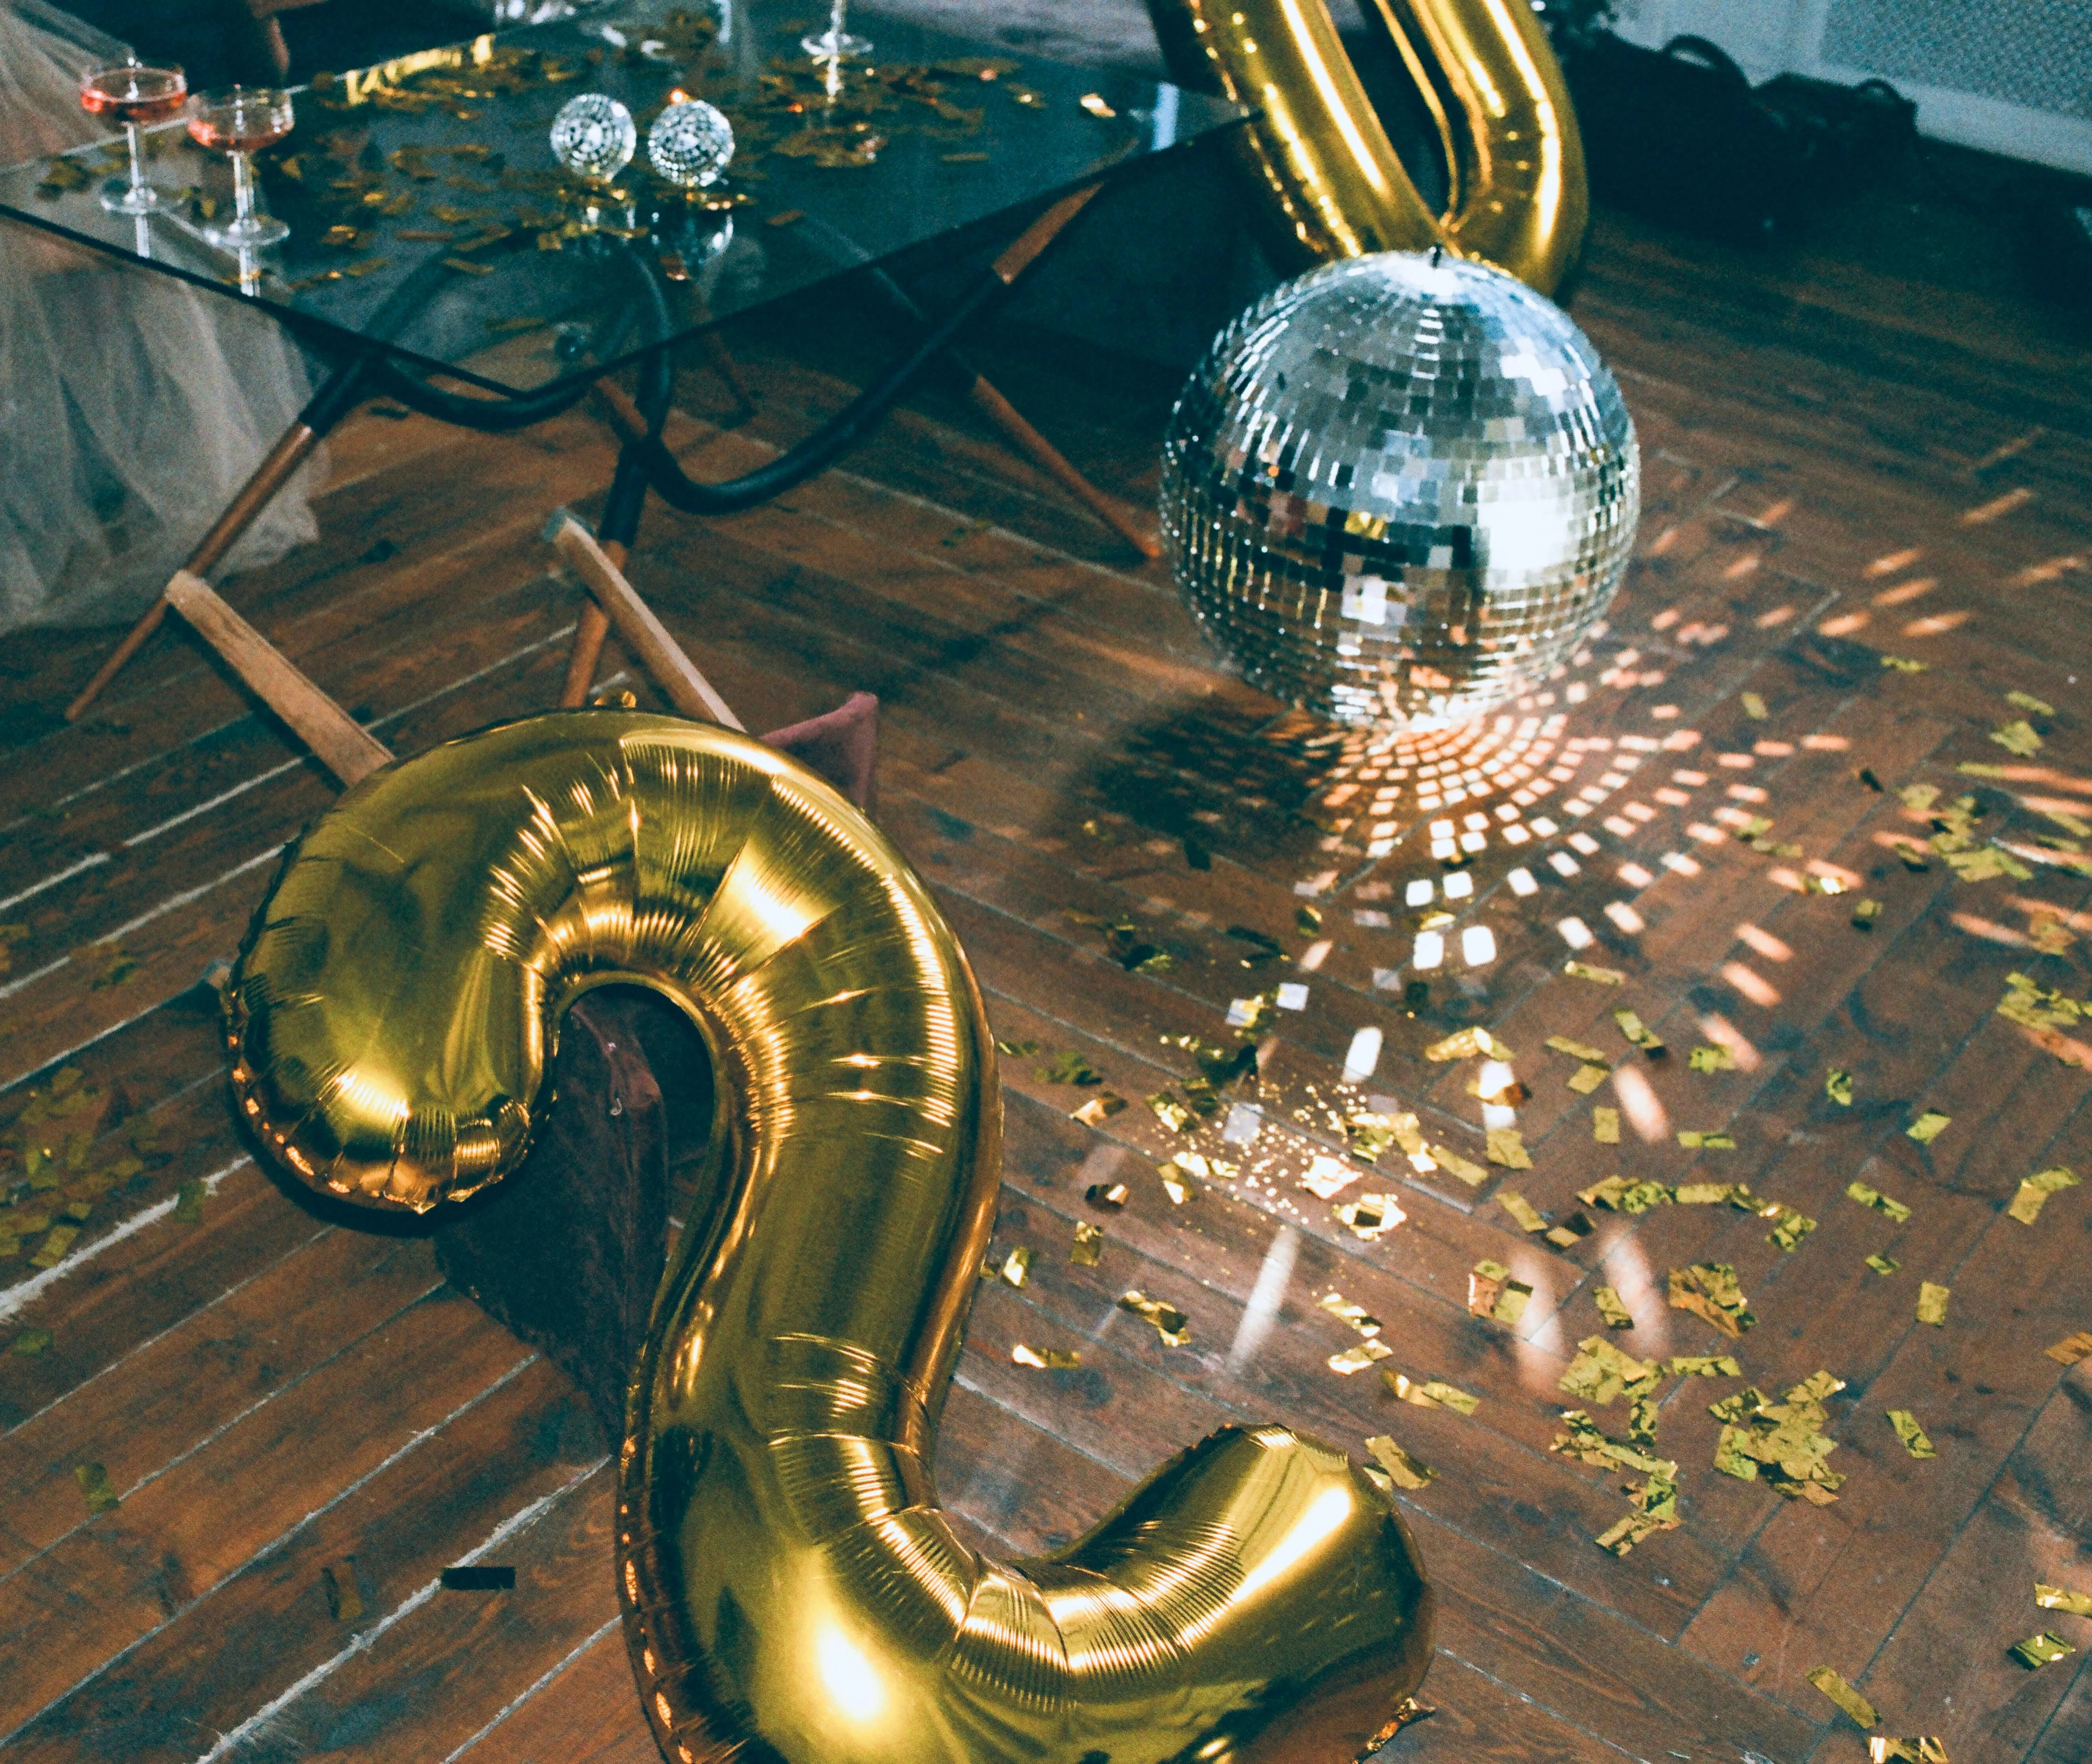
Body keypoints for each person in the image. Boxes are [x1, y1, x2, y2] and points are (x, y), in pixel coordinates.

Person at [0, 0, 324, 633]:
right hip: (74, 101)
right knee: (81, 221)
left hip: (151, 105)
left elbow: (266, 64)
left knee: (149, 224)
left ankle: (138, 478)